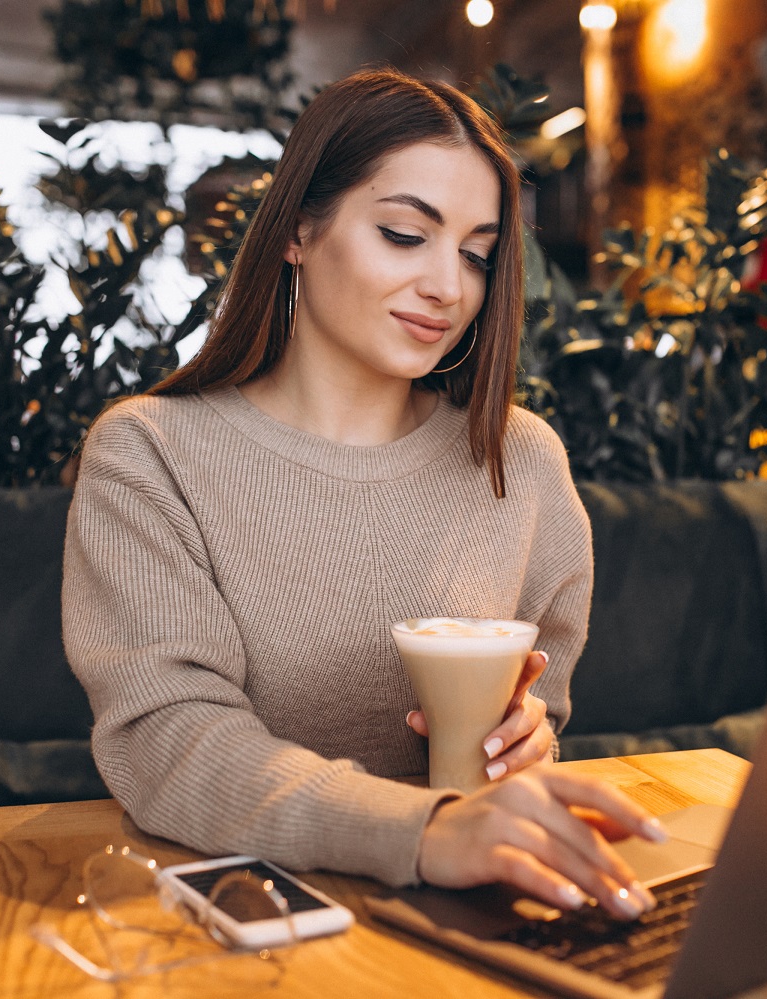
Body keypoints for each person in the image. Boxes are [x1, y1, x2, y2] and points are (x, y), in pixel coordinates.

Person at [62, 67, 665, 919]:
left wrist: (527, 743)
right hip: (241, 925)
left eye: (477, 254)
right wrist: (423, 830)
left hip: (467, 924)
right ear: (298, 231)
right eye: (403, 234)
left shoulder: (519, 461)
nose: (448, 288)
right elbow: (169, 744)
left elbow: (541, 713)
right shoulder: (150, 453)